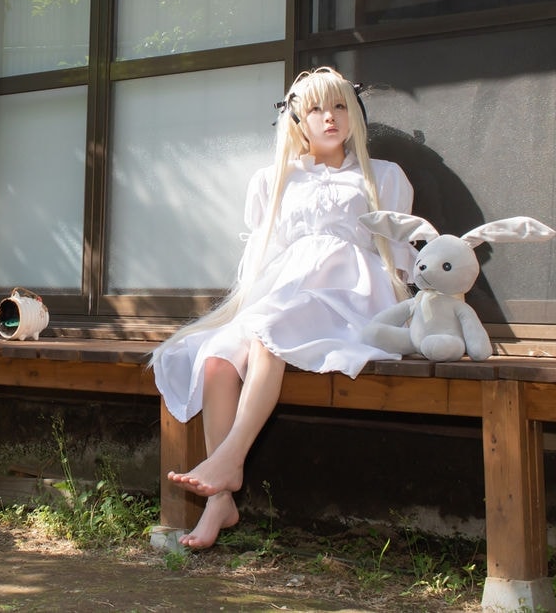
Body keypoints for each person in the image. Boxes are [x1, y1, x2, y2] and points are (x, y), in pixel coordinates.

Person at [150, 66, 416, 550]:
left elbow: (398, 255)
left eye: (340, 106)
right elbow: (265, 257)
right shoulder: (274, 179)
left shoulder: (382, 175)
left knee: (268, 334)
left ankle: (229, 460)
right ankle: (219, 503)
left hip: (349, 293)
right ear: (297, 119)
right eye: (316, 109)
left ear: (354, 113)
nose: (330, 118)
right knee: (217, 357)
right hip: (287, 289)